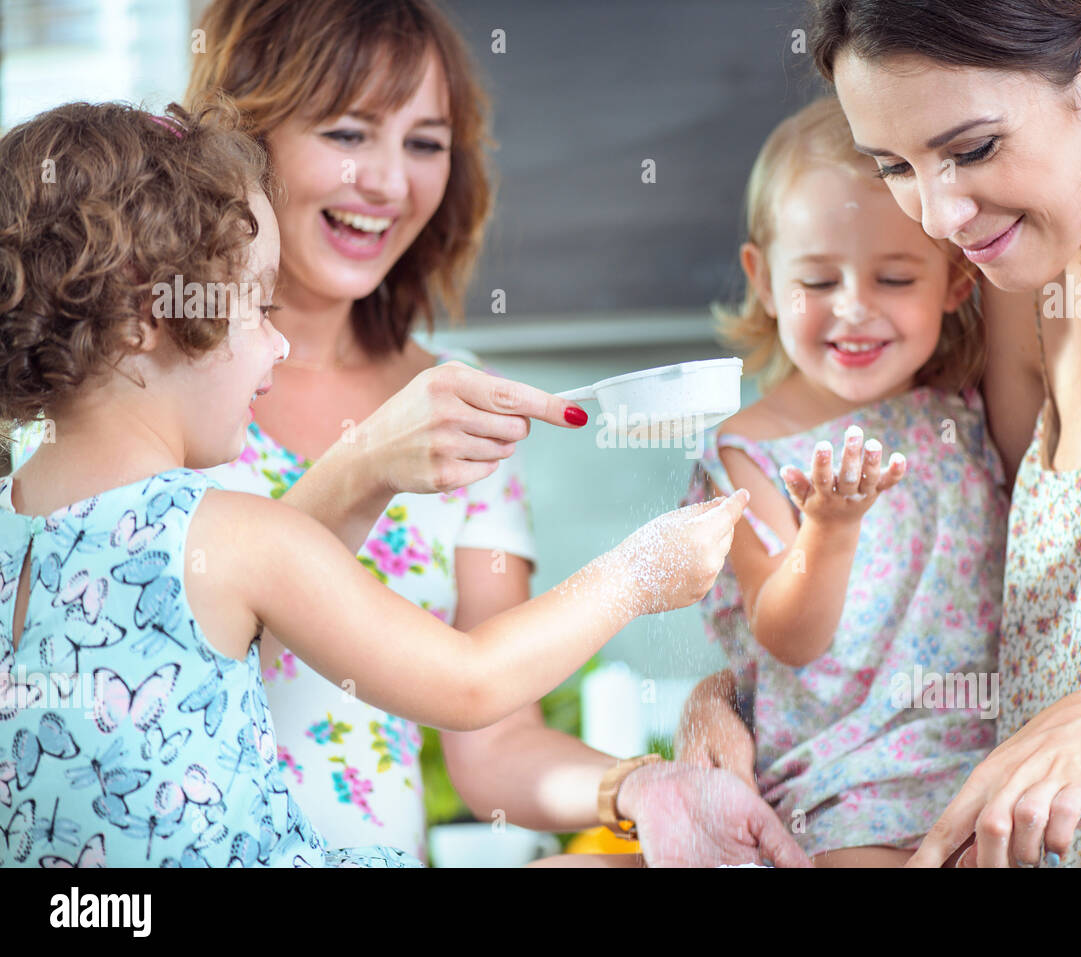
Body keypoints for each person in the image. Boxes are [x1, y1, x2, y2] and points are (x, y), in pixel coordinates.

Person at [0, 99, 749, 867]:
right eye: (258, 307)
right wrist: (642, 570)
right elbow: (470, 683)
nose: (278, 341)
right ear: (143, 314)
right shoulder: (234, 533)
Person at [170, 0, 809, 868]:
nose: (392, 183)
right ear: (247, 135)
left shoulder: (455, 398)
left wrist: (639, 786)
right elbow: (157, 645)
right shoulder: (154, 374)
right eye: (349, 133)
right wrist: (365, 463)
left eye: (426, 143)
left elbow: (493, 739)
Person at [686, 0, 1081, 868]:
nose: (937, 216)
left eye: (972, 149)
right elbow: (933, 588)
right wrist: (726, 697)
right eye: (894, 164)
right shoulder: (1021, 272)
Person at [677, 97, 1006, 867]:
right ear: (763, 279)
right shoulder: (746, 451)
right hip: (846, 782)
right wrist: (829, 530)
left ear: (955, 281)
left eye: (895, 277)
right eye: (818, 280)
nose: (854, 309)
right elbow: (786, 635)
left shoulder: (963, 405)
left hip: (994, 760)